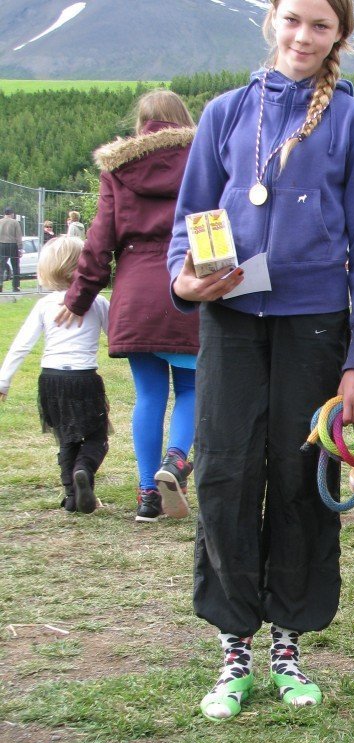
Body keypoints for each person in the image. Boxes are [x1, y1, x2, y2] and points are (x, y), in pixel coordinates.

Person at [167, 0, 354, 719]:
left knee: (300, 477)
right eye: (293, 19)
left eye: (320, 25)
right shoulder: (226, 113)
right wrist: (185, 279)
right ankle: (234, 648)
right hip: (229, 323)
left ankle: (288, 646)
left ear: (339, 37)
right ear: (272, 21)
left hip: (315, 330)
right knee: (226, 475)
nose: (303, 36)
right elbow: (186, 224)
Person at [55, 90, 199, 522]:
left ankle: (146, 497)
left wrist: (78, 297)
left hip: (135, 292)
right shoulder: (203, 157)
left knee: (149, 394)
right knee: (193, 388)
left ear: (141, 124)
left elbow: (99, 239)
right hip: (187, 284)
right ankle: (175, 461)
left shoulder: (118, 168)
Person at [0, 236, 110, 514]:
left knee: (66, 439)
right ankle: (84, 469)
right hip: (84, 378)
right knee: (97, 437)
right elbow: (117, 337)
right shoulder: (97, 303)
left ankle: (72, 497)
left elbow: (21, 346)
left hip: (50, 379)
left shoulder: (44, 305)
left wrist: (3, 382)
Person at [0, 206, 23, 292]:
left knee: (1, 266)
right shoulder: (15, 222)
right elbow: (18, 236)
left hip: (1, 245)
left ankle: (0, 285)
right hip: (13, 245)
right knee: (15, 266)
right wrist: (20, 248)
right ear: (12, 214)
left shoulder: (0, 222)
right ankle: (15, 286)